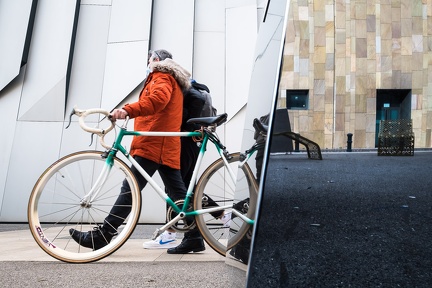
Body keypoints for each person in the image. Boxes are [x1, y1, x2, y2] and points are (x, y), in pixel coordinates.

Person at [69, 49, 192, 250]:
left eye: (149, 60)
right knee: (178, 194)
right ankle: (196, 236)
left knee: (130, 189)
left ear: (157, 60)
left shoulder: (161, 76)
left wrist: (127, 110)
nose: (148, 63)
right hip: (163, 144)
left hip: (154, 144)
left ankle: (104, 234)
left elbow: (156, 101)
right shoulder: (171, 79)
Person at [142, 80, 231, 253]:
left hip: (185, 141)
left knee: (176, 188)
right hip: (189, 141)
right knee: (187, 188)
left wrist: (189, 124)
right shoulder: (187, 84)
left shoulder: (181, 84)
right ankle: (220, 216)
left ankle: (171, 234)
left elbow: (196, 99)